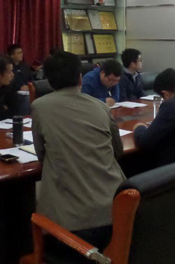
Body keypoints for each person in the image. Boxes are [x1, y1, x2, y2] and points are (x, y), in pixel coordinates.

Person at [31, 51, 125, 253]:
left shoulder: (40, 107)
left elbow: (42, 155)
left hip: (71, 229)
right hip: (118, 215)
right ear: (80, 78)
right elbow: (118, 152)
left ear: (49, 81)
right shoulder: (101, 107)